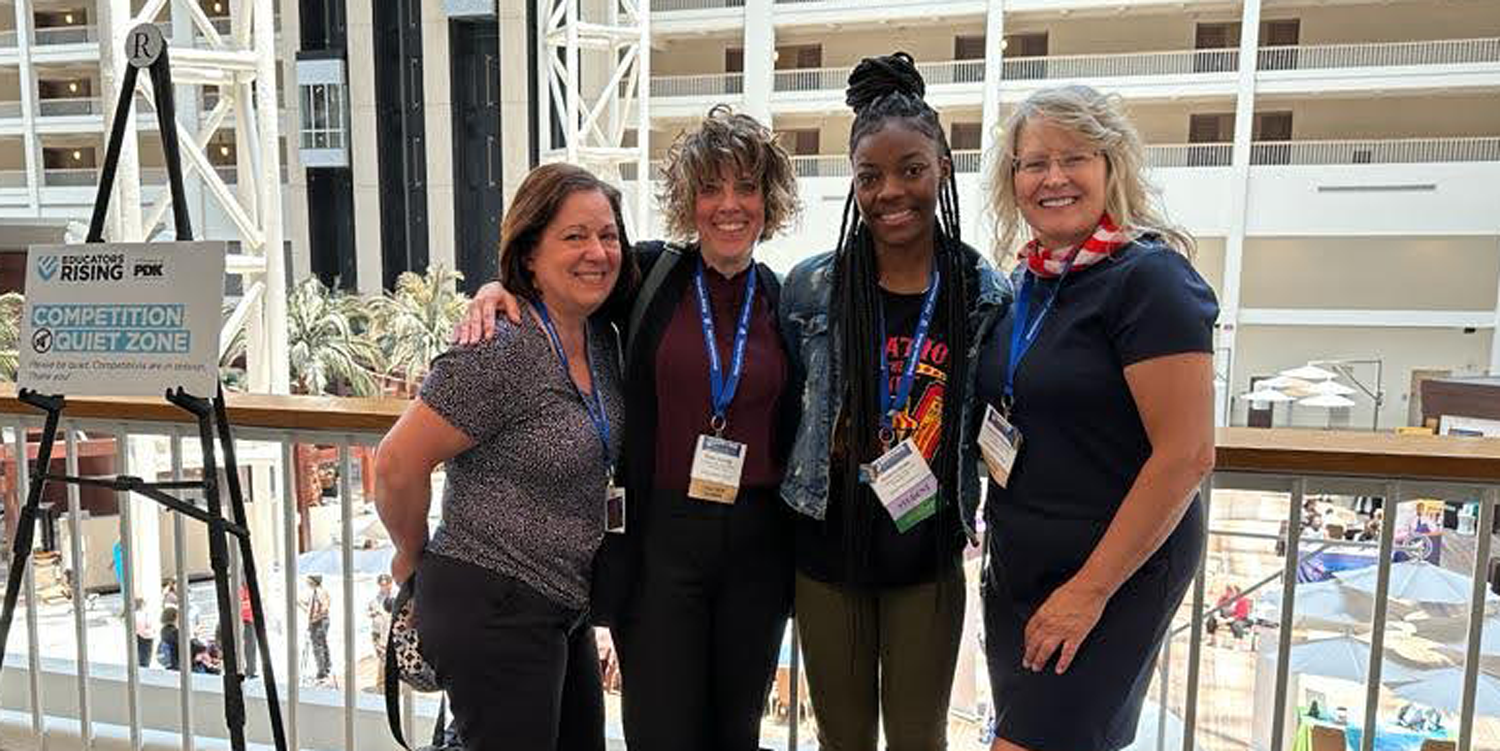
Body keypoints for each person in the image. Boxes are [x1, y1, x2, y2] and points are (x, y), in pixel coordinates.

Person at [456, 106, 803, 751]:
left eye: (746, 187)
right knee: (660, 731)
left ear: (769, 200)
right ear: (689, 201)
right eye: (710, 188)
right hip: (661, 543)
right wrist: (496, 290)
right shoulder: (649, 276)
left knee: (736, 734)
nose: (729, 205)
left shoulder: (788, 299)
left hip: (758, 547)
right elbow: (561, 281)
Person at [778, 52, 1009, 750]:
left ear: (943, 167)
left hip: (925, 558)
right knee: (841, 738)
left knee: (919, 737)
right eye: (869, 176)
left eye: (911, 169)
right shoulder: (812, 289)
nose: (890, 192)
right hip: (829, 554)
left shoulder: (981, 293)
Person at [977, 84, 1218, 751]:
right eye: (1034, 162)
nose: (1053, 177)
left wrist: (1089, 591)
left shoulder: (1150, 280)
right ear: (1013, 181)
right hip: (1020, 571)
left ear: (1112, 166)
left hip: (1112, 576)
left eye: (1074, 157)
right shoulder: (1027, 285)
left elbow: (1187, 455)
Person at [376, 162, 634, 751]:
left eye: (608, 235)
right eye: (574, 236)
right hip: (494, 602)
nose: (597, 252)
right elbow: (396, 463)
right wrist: (411, 555)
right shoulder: (501, 346)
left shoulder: (598, 336)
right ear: (530, 253)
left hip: (561, 604)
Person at [368, 573, 395, 690]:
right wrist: (373, 614)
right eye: (381, 584)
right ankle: (381, 685)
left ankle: (387, 683)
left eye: (386, 584)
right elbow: (369, 611)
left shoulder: (396, 597)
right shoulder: (375, 599)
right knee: (382, 659)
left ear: (390, 584)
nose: (384, 586)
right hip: (378, 632)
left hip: (392, 632)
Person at [304, 575, 331, 681]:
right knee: (321, 644)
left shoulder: (320, 592)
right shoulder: (315, 592)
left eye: (309, 580)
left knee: (318, 646)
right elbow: (311, 608)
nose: (307, 582)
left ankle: (322, 672)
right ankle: (325, 668)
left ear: (314, 581)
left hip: (319, 622)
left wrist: (315, 618)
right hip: (318, 621)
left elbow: (325, 607)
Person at [133, 597, 156, 668]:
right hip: (147, 637)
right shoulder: (144, 614)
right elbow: (149, 625)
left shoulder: (133, 614)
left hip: (137, 636)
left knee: (139, 655)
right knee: (146, 657)